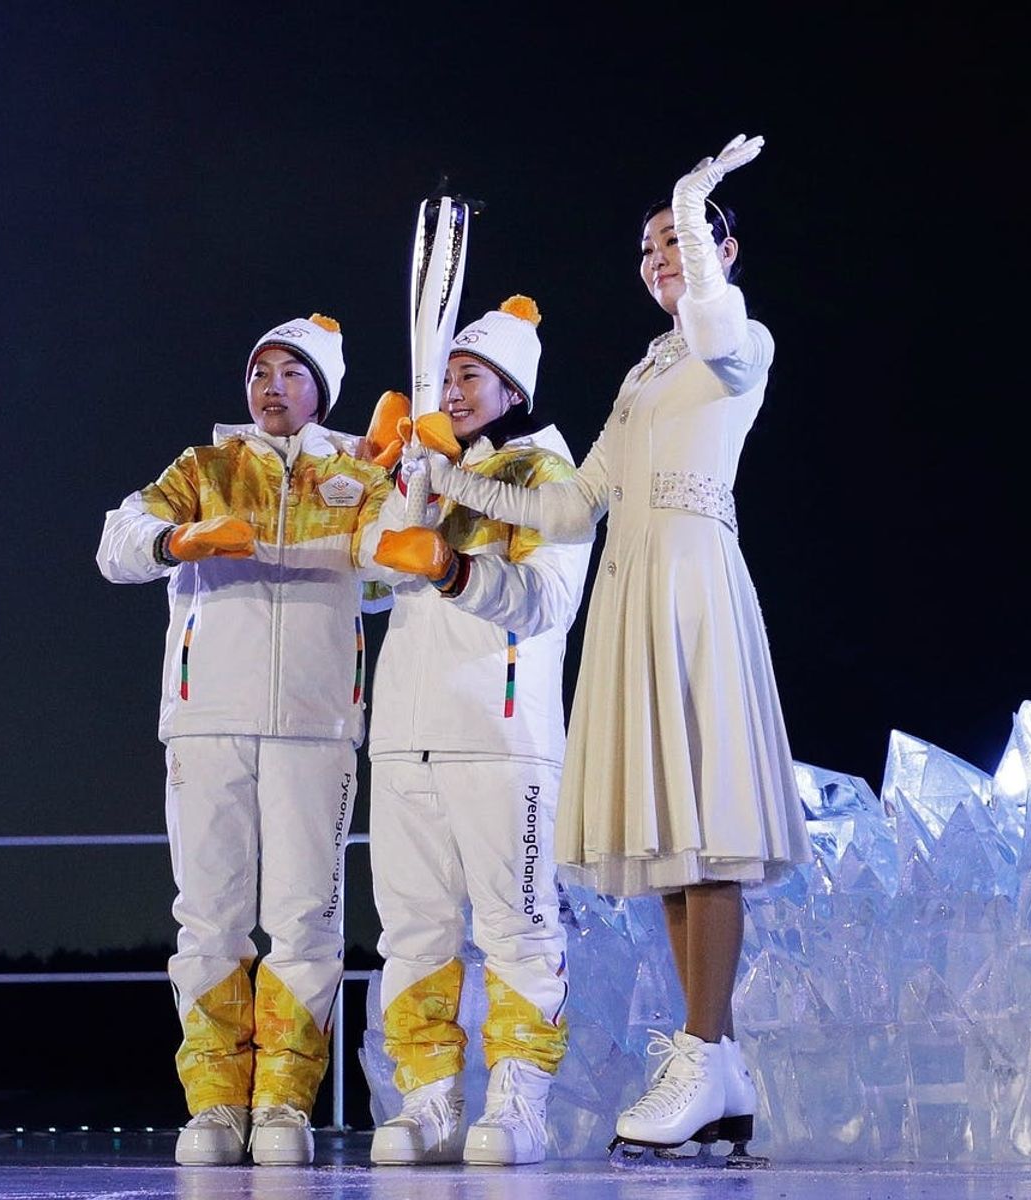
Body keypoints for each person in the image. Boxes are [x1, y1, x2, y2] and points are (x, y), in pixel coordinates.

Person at [423, 138, 813, 1157]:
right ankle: (714, 1062)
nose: (660, 258)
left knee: (708, 831)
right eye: (648, 249)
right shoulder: (646, 372)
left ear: (722, 248)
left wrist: (690, 197)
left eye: (676, 242)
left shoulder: (739, 338)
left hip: (693, 582)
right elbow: (574, 502)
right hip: (633, 585)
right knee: (676, 842)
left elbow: (712, 312)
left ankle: (705, 1049)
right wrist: (451, 483)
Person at [96, 313, 398, 1167]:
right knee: (208, 916)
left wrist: (406, 479)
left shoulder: (356, 475)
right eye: (261, 371)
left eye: (292, 373)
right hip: (208, 718)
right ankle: (216, 1103)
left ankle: (284, 1104)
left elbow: (391, 572)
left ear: (321, 391)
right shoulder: (206, 468)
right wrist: (176, 539)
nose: (272, 386)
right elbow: (116, 545)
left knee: (306, 918)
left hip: (316, 723)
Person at [363, 296, 593, 1166]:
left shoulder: (546, 477)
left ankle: (518, 1100)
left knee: (518, 928)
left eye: (472, 377)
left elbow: (548, 602)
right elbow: (369, 584)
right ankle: (428, 1101)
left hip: (503, 738)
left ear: (512, 390)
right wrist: (401, 489)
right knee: (412, 932)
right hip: (404, 736)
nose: (453, 392)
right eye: (446, 377)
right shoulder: (426, 466)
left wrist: (454, 570)